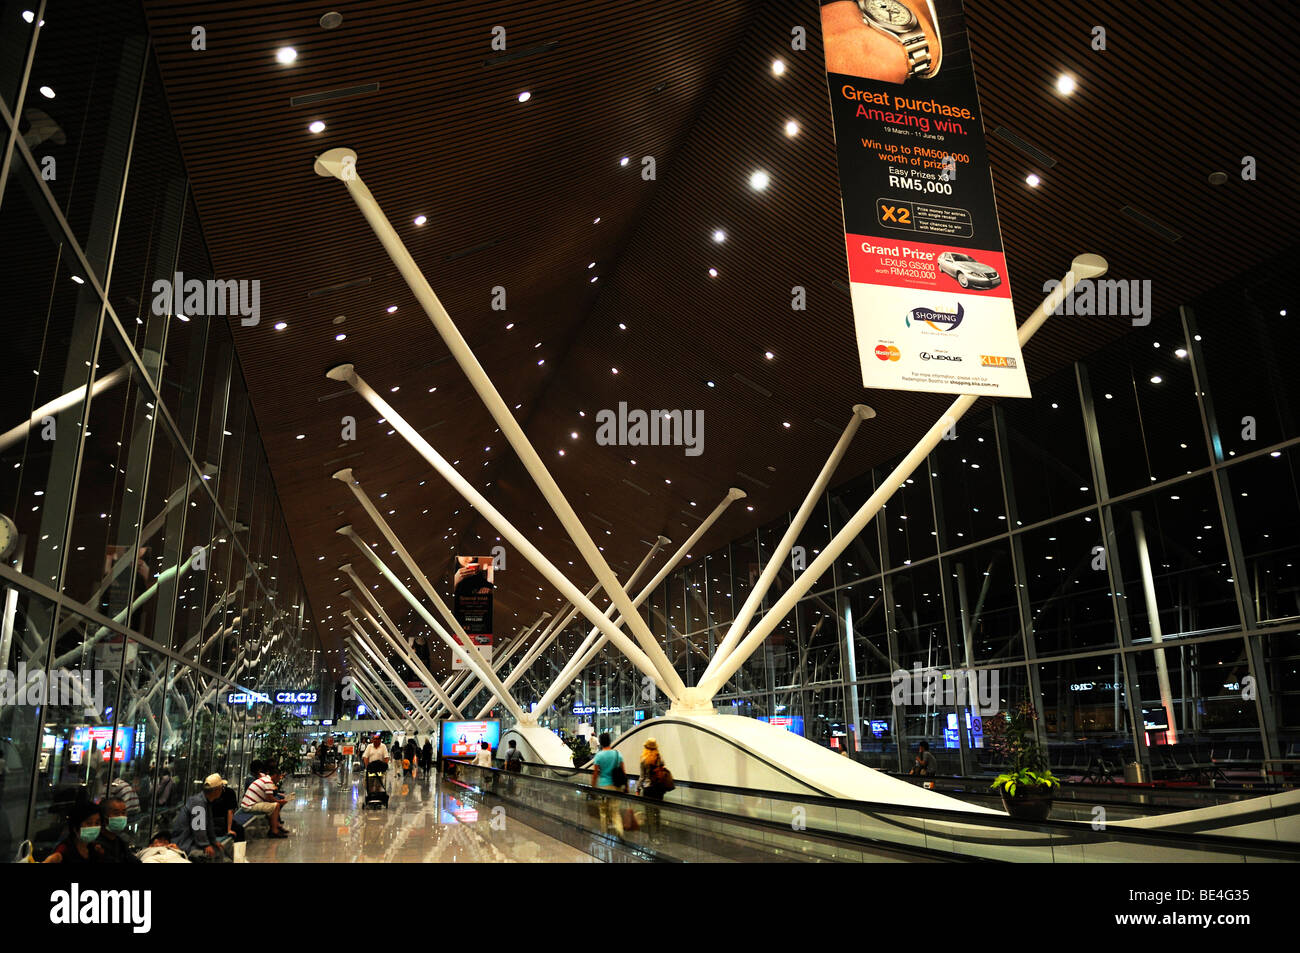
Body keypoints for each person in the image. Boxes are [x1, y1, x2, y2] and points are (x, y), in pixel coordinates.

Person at [172, 774, 233, 862]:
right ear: (216, 790)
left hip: (193, 840)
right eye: (221, 787)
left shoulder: (205, 802)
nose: (222, 790)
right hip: (185, 842)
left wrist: (213, 841)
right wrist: (205, 845)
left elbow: (209, 825)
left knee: (220, 851)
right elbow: (198, 827)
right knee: (211, 855)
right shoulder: (198, 802)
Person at [43, 797, 107, 863]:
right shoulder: (65, 849)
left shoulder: (95, 849)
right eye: (88, 823)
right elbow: (57, 856)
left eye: (97, 823)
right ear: (75, 827)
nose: (93, 827)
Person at [590, 732, 625, 838]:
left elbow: (595, 774)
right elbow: (623, 771)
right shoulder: (618, 754)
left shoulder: (599, 756)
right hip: (616, 786)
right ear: (610, 741)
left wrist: (593, 787)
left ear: (600, 743)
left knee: (603, 812)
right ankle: (620, 832)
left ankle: (605, 834)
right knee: (615, 811)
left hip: (604, 787)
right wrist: (626, 786)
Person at [241, 763, 289, 838]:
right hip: (250, 805)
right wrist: (281, 802)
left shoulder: (265, 779)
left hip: (249, 803)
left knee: (274, 805)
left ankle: (276, 826)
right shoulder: (268, 782)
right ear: (275, 776)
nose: (279, 779)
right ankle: (274, 831)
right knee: (276, 805)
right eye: (279, 777)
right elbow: (270, 799)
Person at [638, 739, 671, 840]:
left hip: (648, 789)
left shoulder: (644, 759)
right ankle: (658, 834)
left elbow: (642, 777)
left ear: (646, 748)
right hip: (659, 789)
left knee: (649, 813)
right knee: (657, 812)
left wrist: (638, 788)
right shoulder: (659, 758)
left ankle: (651, 836)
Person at [96, 795, 142, 863]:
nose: (121, 816)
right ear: (104, 817)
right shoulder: (97, 845)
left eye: (123, 813)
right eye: (116, 813)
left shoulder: (120, 842)